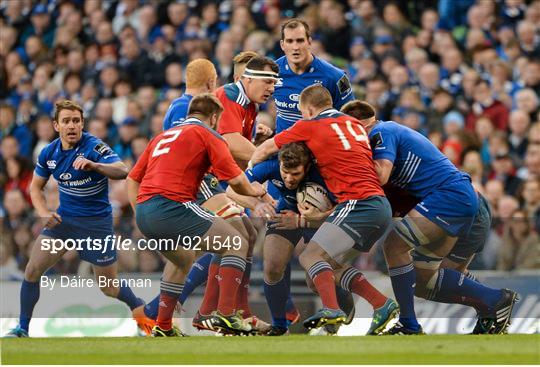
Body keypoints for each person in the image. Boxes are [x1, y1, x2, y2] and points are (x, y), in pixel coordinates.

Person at [341, 100, 518, 335]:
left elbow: (381, 174)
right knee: (426, 281)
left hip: (452, 197)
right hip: (465, 201)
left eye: (345, 130)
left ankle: (409, 323)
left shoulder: (381, 132)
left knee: (395, 246)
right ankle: (493, 303)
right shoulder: (391, 142)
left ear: (357, 125)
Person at [251, 84, 395, 331]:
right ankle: (380, 304)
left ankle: (335, 309)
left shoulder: (310, 125)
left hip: (358, 203)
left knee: (310, 256)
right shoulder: (354, 124)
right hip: (378, 205)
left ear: (307, 110)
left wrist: (250, 169)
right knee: (324, 269)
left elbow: (265, 149)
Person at [5, 100, 152, 337]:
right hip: (64, 222)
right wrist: (43, 211)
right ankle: (23, 328)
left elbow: (123, 170)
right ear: (56, 125)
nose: (72, 125)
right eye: (66, 121)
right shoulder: (49, 153)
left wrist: (95, 166)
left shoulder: (94, 146)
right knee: (32, 270)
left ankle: (139, 308)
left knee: (109, 287)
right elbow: (35, 188)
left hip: (96, 225)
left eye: (76, 121)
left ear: (82, 124)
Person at [127, 93, 270, 336]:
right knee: (237, 241)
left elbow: (132, 178)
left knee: (181, 261)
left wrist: (139, 213)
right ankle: (225, 315)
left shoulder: (161, 137)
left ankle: (162, 326)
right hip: (172, 206)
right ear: (214, 117)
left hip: (144, 211)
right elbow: (235, 179)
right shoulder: (207, 134)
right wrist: (254, 190)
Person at [228, 142, 398, 336]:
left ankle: (340, 302)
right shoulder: (272, 164)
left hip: (320, 218)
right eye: (285, 173)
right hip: (284, 213)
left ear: (307, 167)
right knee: (272, 266)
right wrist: (256, 205)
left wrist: (305, 220)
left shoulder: (326, 172)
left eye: (296, 174)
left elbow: (346, 206)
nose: (289, 179)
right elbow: (231, 190)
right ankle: (280, 325)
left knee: (314, 277)